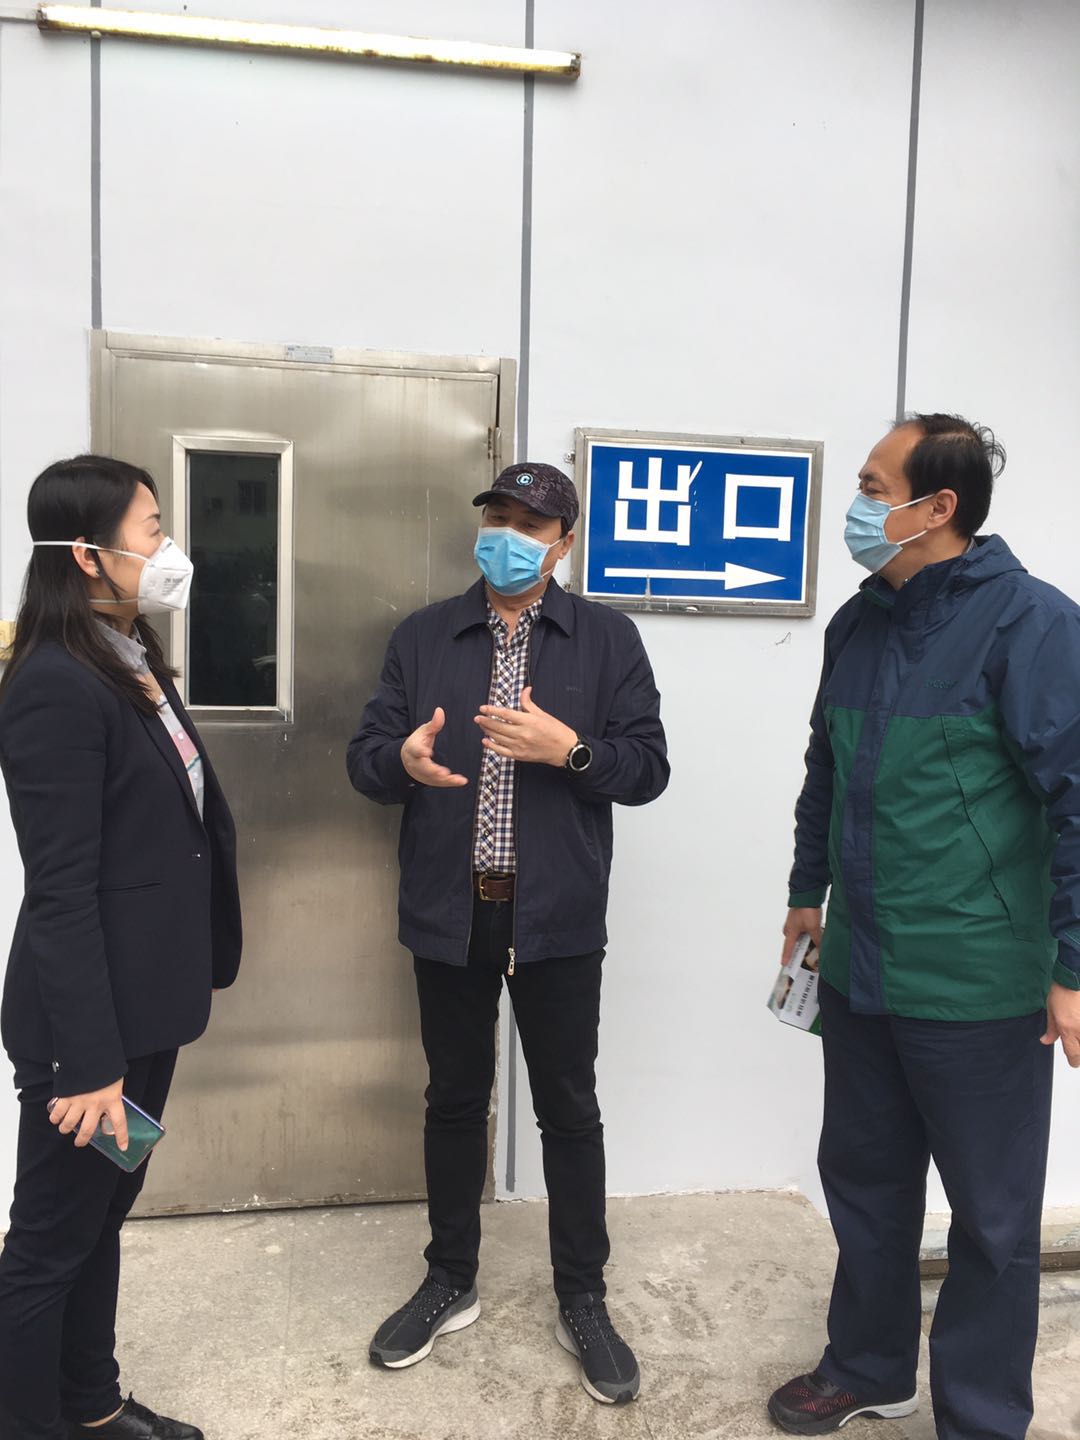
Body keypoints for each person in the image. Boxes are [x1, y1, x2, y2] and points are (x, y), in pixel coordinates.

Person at [767, 415, 1080, 1439]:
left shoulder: (1032, 624)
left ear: (937, 507)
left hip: (977, 983)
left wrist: (1074, 968)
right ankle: (868, 1366)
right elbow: (826, 767)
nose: (856, 506)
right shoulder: (857, 624)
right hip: (861, 972)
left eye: (872, 486)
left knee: (991, 1221)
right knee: (864, 1183)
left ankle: (981, 1418)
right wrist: (807, 892)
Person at [346, 462, 669, 1405]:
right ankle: (450, 1278)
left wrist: (571, 750)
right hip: (450, 910)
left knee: (569, 1108)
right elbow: (366, 759)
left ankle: (583, 1296)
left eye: (532, 523)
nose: (510, 535)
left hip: (557, 914)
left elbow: (648, 767)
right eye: (498, 515)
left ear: (564, 542)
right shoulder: (423, 636)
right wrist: (400, 761)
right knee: (454, 1099)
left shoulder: (607, 639)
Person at [0, 456, 242, 1440]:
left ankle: (90, 1406)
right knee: (48, 1245)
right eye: (151, 529)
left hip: (144, 1005)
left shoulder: (127, 654)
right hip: (87, 1032)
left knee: (101, 1216)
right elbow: (60, 890)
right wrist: (89, 1063)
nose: (168, 547)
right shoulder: (53, 682)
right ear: (89, 555)